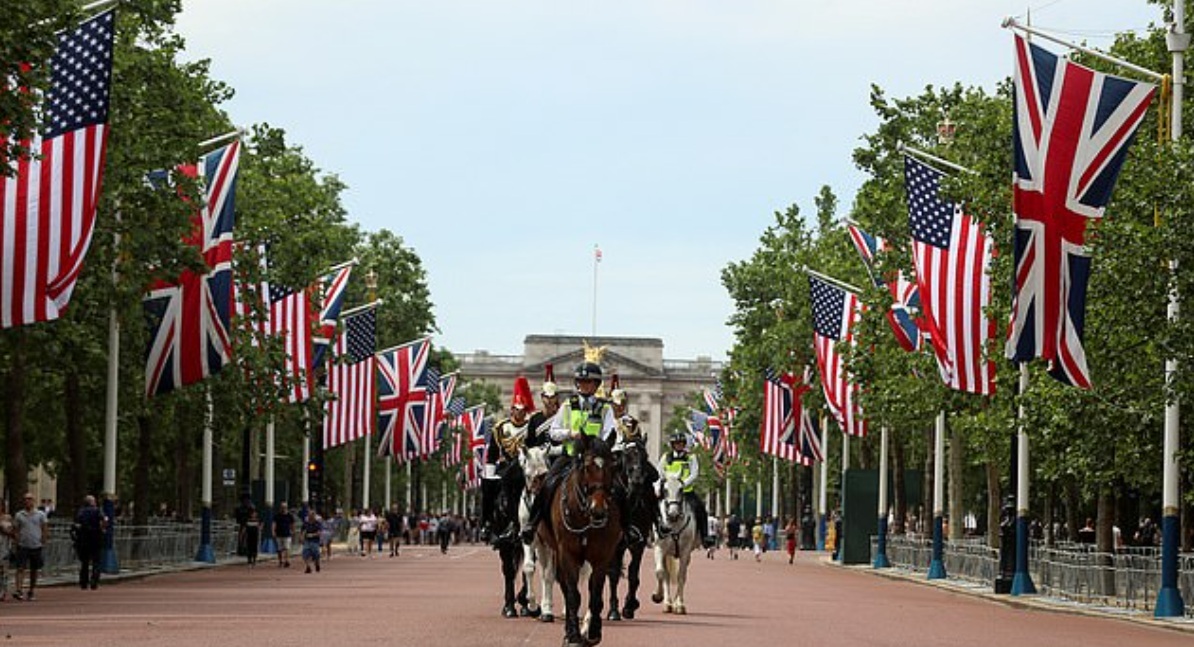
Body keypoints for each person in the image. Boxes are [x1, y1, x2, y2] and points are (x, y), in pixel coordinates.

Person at [522, 357, 618, 544]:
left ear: (596, 384)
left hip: (595, 458)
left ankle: (626, 529)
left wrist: (599, 446)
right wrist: (570, 433)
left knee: (620, 488)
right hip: (571, 456)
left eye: (588, 382)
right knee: (547, 485)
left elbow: (609, 431)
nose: (584, 385)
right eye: (581, 382)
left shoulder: (605, 408)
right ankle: (532, 525)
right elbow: (554, 432)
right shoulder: (567, 406)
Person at [483, 379, 534, 544]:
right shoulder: (501, 427)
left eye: (522, 410)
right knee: (487, 489)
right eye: (516, 409)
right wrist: (489, 474)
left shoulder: (531, 427)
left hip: (525, 467)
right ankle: (487, 523)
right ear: (512, 409)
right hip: (505, 467)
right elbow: (492, 453)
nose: (519, 413)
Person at [657, 431, 713, 548]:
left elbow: (694, 474)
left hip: (686, 492)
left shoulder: (691, 457)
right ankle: (650, 533)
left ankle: (705, 536)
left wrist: (682, 484)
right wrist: (660, 486)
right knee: (651, 507)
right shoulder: (665, 457)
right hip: (669, 492)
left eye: (681, 443)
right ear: (672, 445)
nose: (679, 446)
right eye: (676, 444)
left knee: (701, 509)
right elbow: (660, 473)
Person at [12, 492, 48, 600]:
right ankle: (19, 590)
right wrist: (16, 541)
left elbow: (44, 528)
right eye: (25, 499)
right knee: (20, 568)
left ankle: (31, 590)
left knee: (34, 569)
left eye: (29, 499)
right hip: (23, 545)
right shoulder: (19, 515)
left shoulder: (40, 514)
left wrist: (43, 540)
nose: (27, 501)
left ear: (33, 501)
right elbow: (16, 529)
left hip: (36, 545)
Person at [73, 495, 107, 590]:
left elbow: (76, 524)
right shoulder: (97, 510)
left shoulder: (81, 511)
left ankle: (83, 582)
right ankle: (94, 580)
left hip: (84, 539)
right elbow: (104, 519)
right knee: (96, 561)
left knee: (84, 562)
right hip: (96, 537)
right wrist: (103, 529)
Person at [0, 499, 14, 601]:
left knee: (3, 570)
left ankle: (2, 590)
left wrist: (2, 529)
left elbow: (11, 532)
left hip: (3, 546)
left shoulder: (7, 518)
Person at [273, 502, 294, 568]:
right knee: (279, 549)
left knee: (287, 548)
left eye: (284, 507)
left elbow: (292, 524)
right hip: (279, 534)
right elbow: (274, 524)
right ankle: (280, 561)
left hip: (287, 534)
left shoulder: (289, 515)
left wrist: (292, 531)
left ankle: (287, 560)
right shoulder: (277, 515)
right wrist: (273, 531)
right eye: (282, 507)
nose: (283, 508)